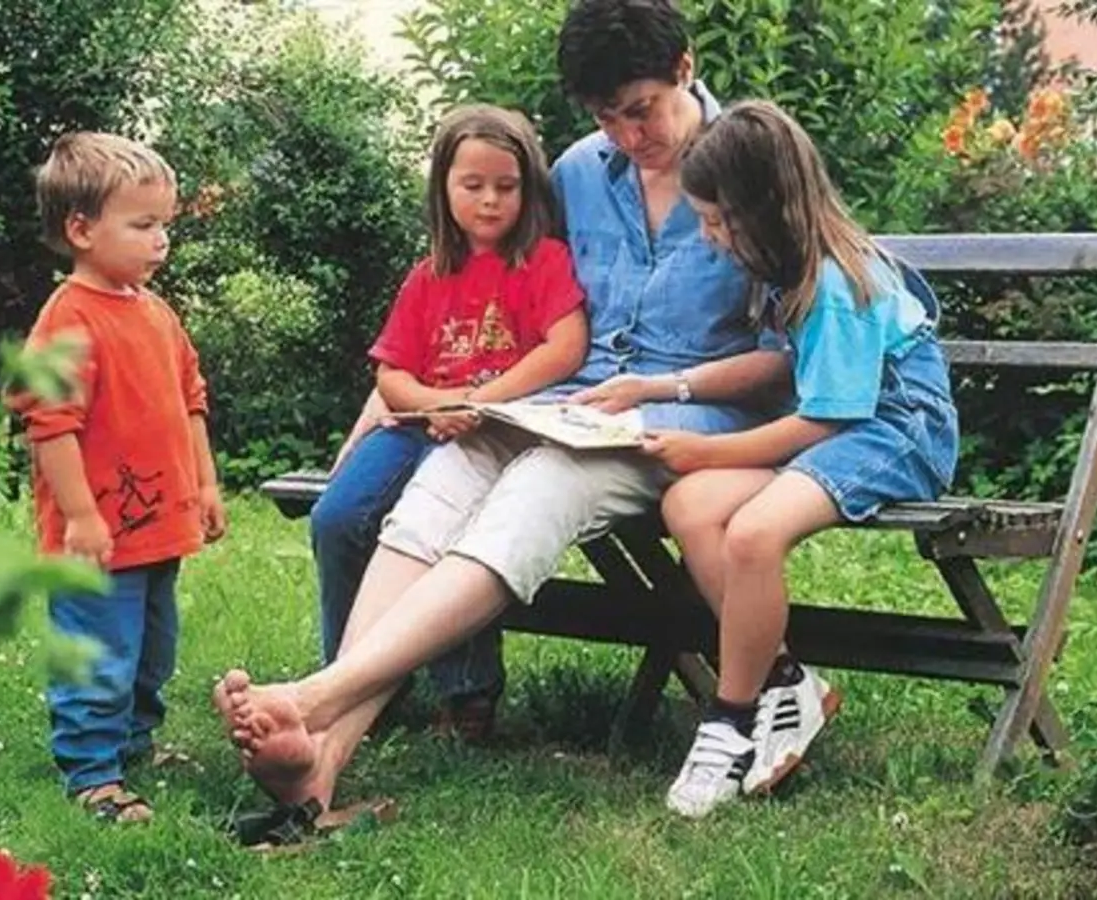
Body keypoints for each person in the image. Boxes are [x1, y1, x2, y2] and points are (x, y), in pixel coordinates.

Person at [212, 0, 832, 820]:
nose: (628, 136)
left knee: (543, 482)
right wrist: (385, 404)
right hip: (572, 404)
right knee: (450, 472)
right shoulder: (578, 173)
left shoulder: (749, 165)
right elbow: (483, 281)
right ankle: (324, 758)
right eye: (606, 117)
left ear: (684, 68)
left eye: (641, 110)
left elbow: (790, 355)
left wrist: (662, 388)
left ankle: (318, 698)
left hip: (696, 413)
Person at [649, 100, 960, 817]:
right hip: (849, 427)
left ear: (764, 209)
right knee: (689, 504)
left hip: (898, 431)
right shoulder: (789, 270)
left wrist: (708, 448)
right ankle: (787, 683)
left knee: (754, 532)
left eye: (717, 221)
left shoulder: (839, 283)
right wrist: (662, 391)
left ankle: (728, 720)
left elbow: (826, 419)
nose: (709, 236)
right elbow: (788, 379)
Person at [308, 105, 588, 742]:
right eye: (473, 185)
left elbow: (565, 347)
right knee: (337, 517)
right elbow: (392, 373)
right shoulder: (429, 274)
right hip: (418, 423)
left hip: (496, 430)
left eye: (506, 186)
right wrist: (438, 403)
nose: (490, 201)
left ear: (529, 189)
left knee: (448, 525)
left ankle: (467, 692)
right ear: (444, 187)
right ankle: (351, 679)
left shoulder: (544, 261)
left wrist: (479, 402)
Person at [8, 132, 227, 823]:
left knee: (151, 652)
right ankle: (92, 773)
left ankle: (134, 744)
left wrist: (206, 485)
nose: (161, 240)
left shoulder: (156, 312)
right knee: (99, 655)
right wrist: (79, 515)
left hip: (158, 527)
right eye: (143, 225)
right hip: (96, 537)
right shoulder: (69, 319)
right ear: (81, 229)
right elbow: (51, 425)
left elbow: (191, 401)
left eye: (165, 224)